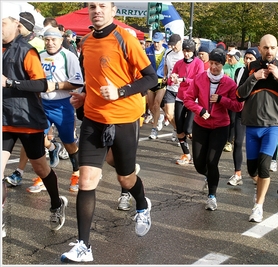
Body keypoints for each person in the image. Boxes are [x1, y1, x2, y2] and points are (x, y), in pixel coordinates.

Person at [60, 2, 158, 263]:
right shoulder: (86, 42)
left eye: (102, 5)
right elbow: (92, 78)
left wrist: (121, 91)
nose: (97, 10)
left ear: (113, 10)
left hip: (124, 119)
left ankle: (141, 204)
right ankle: (83, 246)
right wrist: (83, 97)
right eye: (92, 6)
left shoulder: (125, 38)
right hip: (93, 119)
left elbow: (151, 78)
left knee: (125, 179)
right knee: (86, 181)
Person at [2, 7, 67, 236]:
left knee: (41, 167)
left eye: (2, 24)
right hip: (3, 121)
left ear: (15, 24)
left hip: (27, 118)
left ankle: (56, 203)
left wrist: (10, 83)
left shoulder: (26, 51)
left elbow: (41, 84)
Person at [236, 34, 278, 222]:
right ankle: (262, 186)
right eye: (265, 48)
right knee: (252, 170)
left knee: (264, 168)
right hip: (252, 125)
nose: (269, 51)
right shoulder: (250, 68)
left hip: (272, 126)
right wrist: (254, 78)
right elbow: (239, 95)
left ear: (277, 48)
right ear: (259, 48)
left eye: (272, 48)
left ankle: (258, 205)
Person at [184, 48, 243, 210]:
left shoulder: (229, 83)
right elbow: (187, 99)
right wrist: (200, 110)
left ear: (223, 65)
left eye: (217, 64)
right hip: (200, 125)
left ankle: (212, 196)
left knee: (212, 162)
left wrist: (222, 100)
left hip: (220, 127)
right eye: (211, 63)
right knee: (198, 164)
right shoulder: (200, 78)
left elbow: (238, 106)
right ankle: (210, 178)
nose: (214, 67)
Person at [227, 47, 260, 186]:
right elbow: (237, 90)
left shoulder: (262, 73)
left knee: (257, 144)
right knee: (238, 142)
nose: (247, 61)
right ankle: (237, 173)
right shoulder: (239, 71)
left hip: (257, 113)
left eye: (250, 58)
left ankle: (257, 173)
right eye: (246, 58)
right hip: (241, 110)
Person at [169, 39, 204, 165]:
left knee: (188, 129)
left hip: (193, 99)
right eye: (184, 51)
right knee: (179, 129)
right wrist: (172, 78)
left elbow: (198, 80)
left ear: (193, 51)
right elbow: (171, 79)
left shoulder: (198, 63)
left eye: (189, 51)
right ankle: (186, 154)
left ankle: (199, 152)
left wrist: (183, 79)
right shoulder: (179, 63)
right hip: (180, 97)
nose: (186, 54)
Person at [145, 31, 168, 139]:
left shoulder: (167, 51)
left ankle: (154, 130)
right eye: (154, 42)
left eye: (158, 42)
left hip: (162, 81)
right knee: (150, 106)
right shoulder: (148, 51)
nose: (156, 44)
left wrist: (167, 76)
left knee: (156, 104)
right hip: (151, 80)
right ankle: (158, 118)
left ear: (162, 41)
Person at [163, 33, 184, 143]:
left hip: (182, 88)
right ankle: (178, 130)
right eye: (171, 45)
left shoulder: (184, 54)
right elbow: (166, 66)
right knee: (169, 114)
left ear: (180, 42)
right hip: (171, 88)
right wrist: (165, 76)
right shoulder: (168, 53)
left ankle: (182, 132)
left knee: (181, 116)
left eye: (175, 44)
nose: (173, 47)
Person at [223, 49, 245, 152]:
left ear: (236, 58)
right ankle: (228, 139)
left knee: (233, 119)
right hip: (227, 97)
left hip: (238, 98)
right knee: (228, 118)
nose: (229, 58)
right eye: (228, 56)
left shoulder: (241, 67)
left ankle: (229, 141)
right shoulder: (225, 66)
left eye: (231, 57)